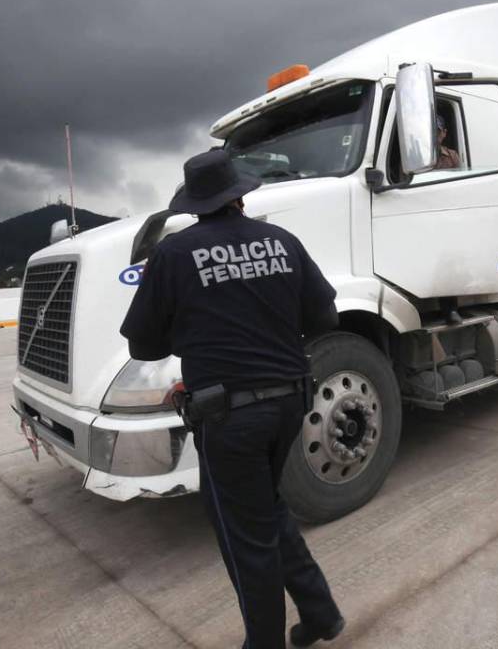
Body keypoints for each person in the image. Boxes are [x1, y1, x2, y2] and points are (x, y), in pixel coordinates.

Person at [120, 148, 345, 649]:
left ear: (194, 203)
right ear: (239, 195)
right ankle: (320, 613)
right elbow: (325, 317)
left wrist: (200, 338)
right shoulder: (283, 241)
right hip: (291, 402)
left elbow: (142, 345)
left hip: (229, 418)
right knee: (265, 510)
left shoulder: (174, 254)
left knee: (245, 540)